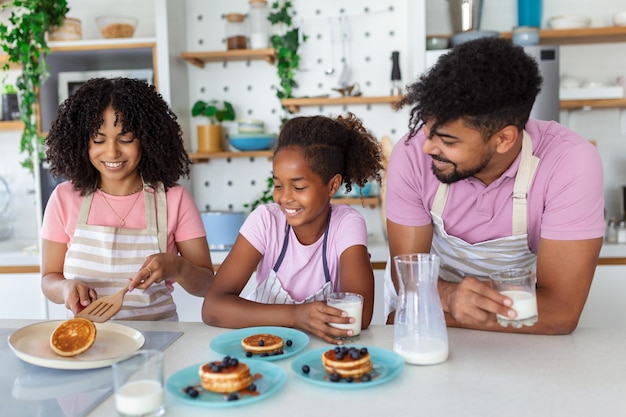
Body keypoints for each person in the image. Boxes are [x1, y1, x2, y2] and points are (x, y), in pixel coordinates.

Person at [384, 37, 605, 335]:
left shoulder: (570, 162)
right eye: (427, 131)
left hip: (499, 337)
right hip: (447, 330)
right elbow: (409, 280)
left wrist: (438, 309)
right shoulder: (411, 154)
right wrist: (448, 296)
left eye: (448, 141)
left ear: (504, 139)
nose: (428, 149)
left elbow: (560, 313)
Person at [41, 77, 214, 321]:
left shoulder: (174, 200)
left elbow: (207, 285)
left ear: (147, 139)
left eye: (125, 139)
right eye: (99, 140)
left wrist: (177, 266)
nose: (112, 152)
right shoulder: (64, 198)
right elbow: (49, 278)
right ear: (82, 142)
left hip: (159, 346)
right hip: (89, 344)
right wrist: (65, 288)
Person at [202, 113, 382, 344]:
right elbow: (213, 307)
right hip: (263, 348)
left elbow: (360, 314)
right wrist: (296, 316)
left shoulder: (346, 223)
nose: (284, 197)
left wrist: (301, 316)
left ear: (332, 185)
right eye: (278, 185)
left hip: (321, 352)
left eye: (298, 187)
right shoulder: (265, 221)